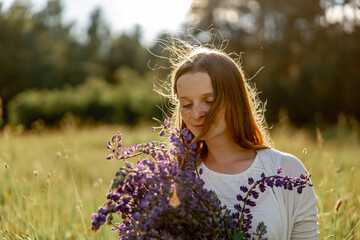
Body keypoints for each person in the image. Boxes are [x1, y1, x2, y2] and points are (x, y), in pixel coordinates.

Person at [163, 41, 319, 239]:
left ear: (234, 99)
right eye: (186, 104)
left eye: (209, 101)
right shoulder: (177, 177)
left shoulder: (286, 170)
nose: (196, 113)